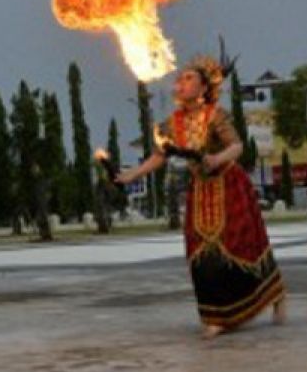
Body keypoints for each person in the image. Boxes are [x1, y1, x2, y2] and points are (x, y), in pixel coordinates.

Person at [118, 54, 286, 338]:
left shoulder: (216, 114)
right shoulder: (173, 123)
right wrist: (131, 175)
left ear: (204, 87)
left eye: (188, 78)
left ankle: (275, 294)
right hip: (200, 190)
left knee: (243, 246)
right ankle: (216, 315)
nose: (180, 82)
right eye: (179, 78)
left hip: (229, 185)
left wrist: (216, 158)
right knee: (200, 253)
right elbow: (160, 156)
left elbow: (237, 147)